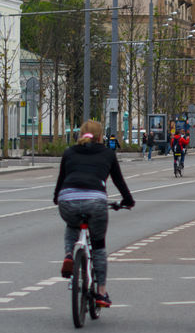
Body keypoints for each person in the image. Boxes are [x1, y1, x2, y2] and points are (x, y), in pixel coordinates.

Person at [53, 119, 135, 307]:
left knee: (72, 224)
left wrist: (57, 198)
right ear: (101, 137)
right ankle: (101, 293)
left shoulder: (69, 152)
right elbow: (119, 181)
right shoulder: (108, 153)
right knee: (98, 247)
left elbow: (61, 179)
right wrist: (128, 201)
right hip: (95, 202)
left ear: (80, 134)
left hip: (68, 199)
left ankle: (68, 255)